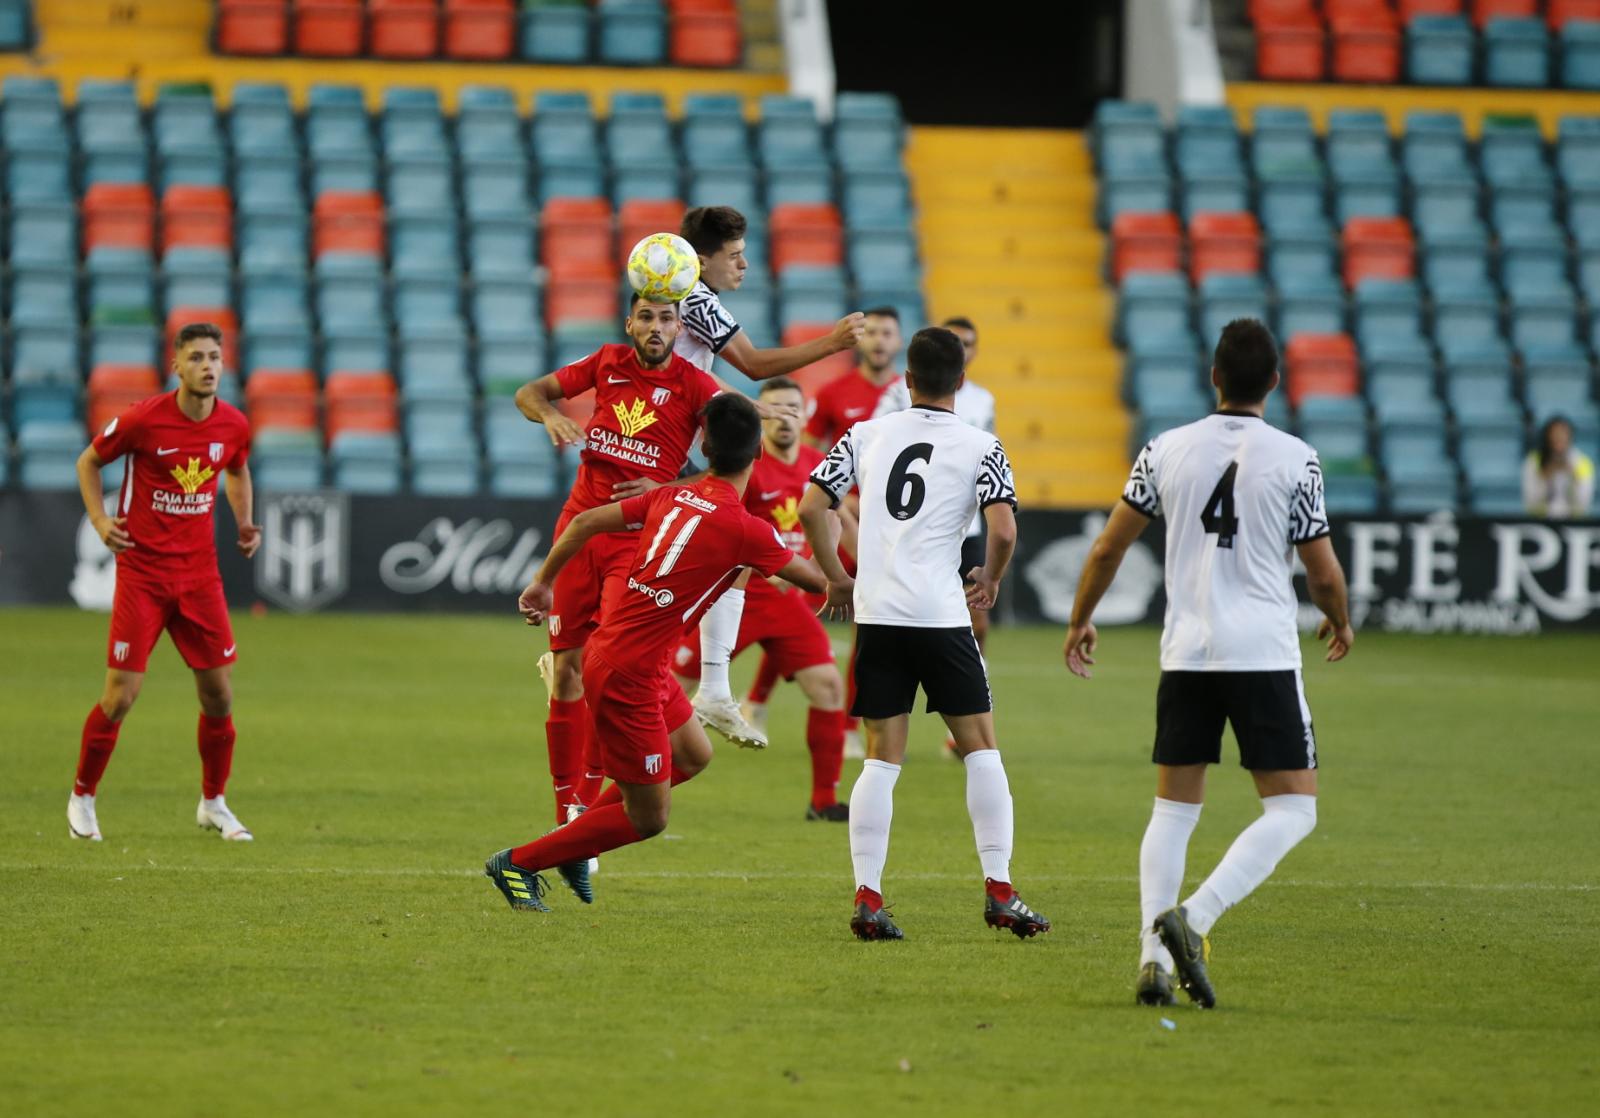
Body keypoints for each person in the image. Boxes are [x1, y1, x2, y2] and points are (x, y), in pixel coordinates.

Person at [1060, 318, 1354, 1010]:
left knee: (1173, 808)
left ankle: (1151, 959)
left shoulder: (1165, 450)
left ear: (1214, 376)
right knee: (1292, 808)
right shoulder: (1296, 458)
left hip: (1187, 652)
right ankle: (1193, 917)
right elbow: (1322, 569)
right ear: (1274, 383)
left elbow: (1106, 548)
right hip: (1261, 653)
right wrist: (1339, 617)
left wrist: (1080, 618)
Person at [485, 394, 828, 912]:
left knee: (694, 754)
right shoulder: (746, 530)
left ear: (705, 447)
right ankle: (519, 862)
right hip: (630, 676)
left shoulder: (671, 497)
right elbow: (820, 583)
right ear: (759, 454)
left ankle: (578, 839)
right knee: (649, 819)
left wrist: (541, 584)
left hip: (633, 657)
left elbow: (581, 523)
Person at [797, 326, 1050, 942]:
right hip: (940, 617)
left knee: (882, 760)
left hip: (879, 617)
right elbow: (1006, 530)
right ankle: (1000, 890)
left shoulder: (865, 434)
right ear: (961, 382)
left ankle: (868, 897)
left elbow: (811, 507)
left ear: (904, 380)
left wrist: (837, 579)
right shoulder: (982, 445)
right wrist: (988, 578)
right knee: (982, 749)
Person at [513, 295, 722, 829]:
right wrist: (552, 415)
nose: (655, 327)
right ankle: (566, 811)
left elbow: (740, 464)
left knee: (606, 665)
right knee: (567, 672)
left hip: (636, 542)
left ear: (680, 329)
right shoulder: (606, 362)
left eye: (666, 319)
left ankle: (584, 805)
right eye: (646, 317)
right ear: (630, 322)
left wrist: (667, 486)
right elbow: (527, 393)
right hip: (579, 530)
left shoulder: (697, 387)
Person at [674, 205, 866, 752]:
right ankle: (703, 690)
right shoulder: (694, 299)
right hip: (670, 461)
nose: (744, 265)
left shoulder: (675, 299)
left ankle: (711, 689)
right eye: (733, 256)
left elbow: (694, 380)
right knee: (728, 555)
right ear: (701, 259)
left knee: (734, 555)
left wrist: (742, 406)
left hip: (678, 457)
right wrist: (832, 343)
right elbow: (754, 363)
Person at [67, 322, 260, 843]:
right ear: (175, 365)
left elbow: (237, 469)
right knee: (121, 696)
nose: (207, 365)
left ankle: (213, 803)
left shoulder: (233, 425)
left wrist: (243, 521)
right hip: (144, 576)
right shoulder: (143, 420)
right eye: (196, 357)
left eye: (215, 356)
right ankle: (83, 794)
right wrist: (101, 523)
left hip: (200, 578)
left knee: (219, 696)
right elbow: (88, 461)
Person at [671, 377, 854, 821]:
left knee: (828, 687)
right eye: (775, 409)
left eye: (794, 407)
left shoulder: (820, 464)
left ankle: (824, 800)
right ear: (760, 418)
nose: (786, 417)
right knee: (674, 687)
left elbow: (842, 517)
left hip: (786, 599)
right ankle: (642, 773)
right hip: (734, 594)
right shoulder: (745, 467)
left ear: (805, 414)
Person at [873, 316, 997, 757]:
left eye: (969, 342)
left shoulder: (985, 401)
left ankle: (961, 707)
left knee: (975, 620)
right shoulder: (892, 399)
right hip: (912, 526)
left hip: (968, 527)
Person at [804, 306, 904, 452]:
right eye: (871, 333)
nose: (879, 340)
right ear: (858, 340)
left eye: (887, 334)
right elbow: (808, 452)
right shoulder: (830, 393)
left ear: (899, 342)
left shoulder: (910, 394)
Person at [1523, 415, 1595, 518]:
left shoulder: (1582, 463)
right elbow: (1530, 503)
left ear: (1570, 436)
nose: (1559, 437)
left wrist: (1573, 477)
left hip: (1574, 525)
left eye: (1563, 433)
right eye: (1554, 433)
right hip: (1541, 522)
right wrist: (1545, 477)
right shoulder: (1533, 461)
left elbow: (1583, 505)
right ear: (1547, 436)